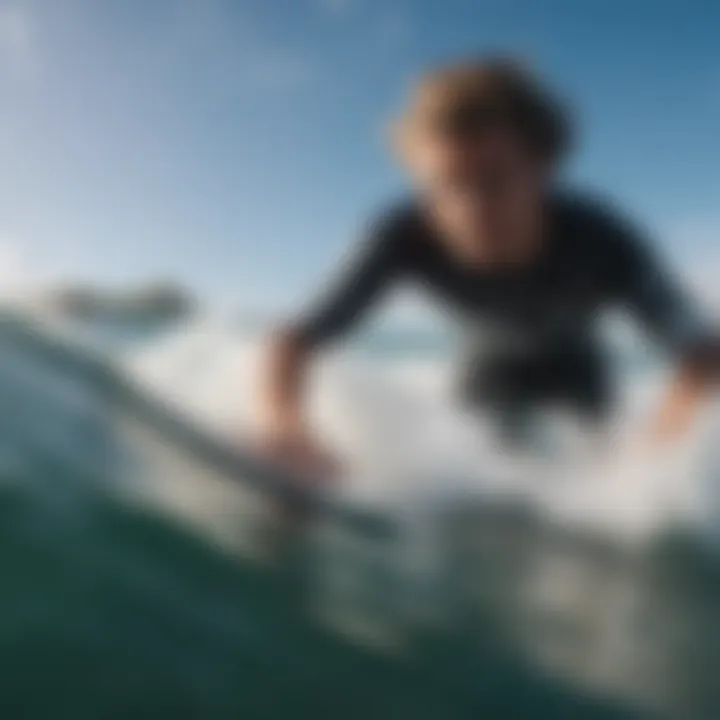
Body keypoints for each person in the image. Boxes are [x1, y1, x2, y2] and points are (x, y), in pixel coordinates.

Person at [256, 56, 718, 480]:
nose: (469, 208)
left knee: (605, 480)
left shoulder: (603, 239)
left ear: (545, 166)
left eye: (494, 180)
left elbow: (702, 351)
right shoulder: (400, 235)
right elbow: (296, 337)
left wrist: (660, 454)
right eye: (445, 185)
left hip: (578, 369)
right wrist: (287, 427)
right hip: (487, 368)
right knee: (472, 485)